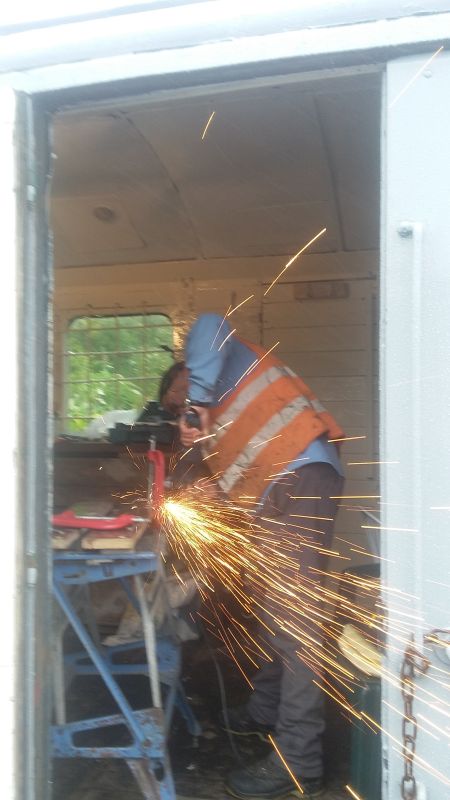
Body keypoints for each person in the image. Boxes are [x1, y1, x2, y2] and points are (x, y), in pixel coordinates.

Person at [160, 313, 345, 800]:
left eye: (176, 400)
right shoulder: (217, 424)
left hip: (302, 475)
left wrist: (195, 404)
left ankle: (298, 761)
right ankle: (265, 709)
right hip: (279, 487)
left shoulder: (218, 358)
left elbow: (207, 322)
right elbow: (233, 484)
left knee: (295, 625)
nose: (179, 411)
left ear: (185, 377)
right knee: (271, 609)